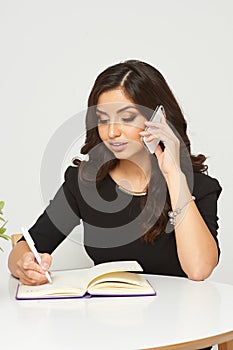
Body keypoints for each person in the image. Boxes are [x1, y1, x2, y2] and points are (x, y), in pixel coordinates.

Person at [8, 59, 222, 286]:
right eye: (103, 120)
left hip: (179, 317)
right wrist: (23, 264)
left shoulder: (198, 186)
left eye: (127, 118)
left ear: (157, 120)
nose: (111, 132)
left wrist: (174, 176)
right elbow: (27, 245)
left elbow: (199, 269)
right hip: (105, 317)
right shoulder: (85, 182)